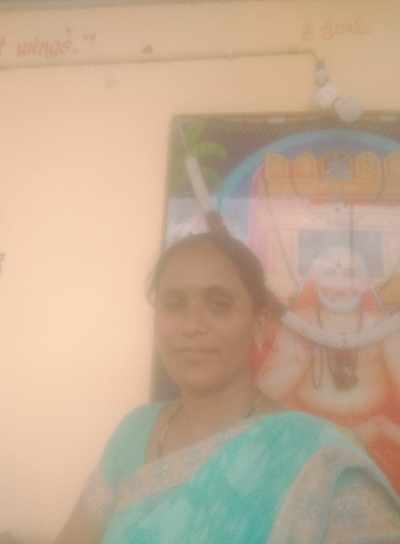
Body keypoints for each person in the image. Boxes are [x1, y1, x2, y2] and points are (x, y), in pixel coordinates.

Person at [55, 232, 400, 544]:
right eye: (174, 304)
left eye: (219, 305)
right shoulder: (133, 433)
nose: (192, 325)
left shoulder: (316, 457)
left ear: (260, 325)